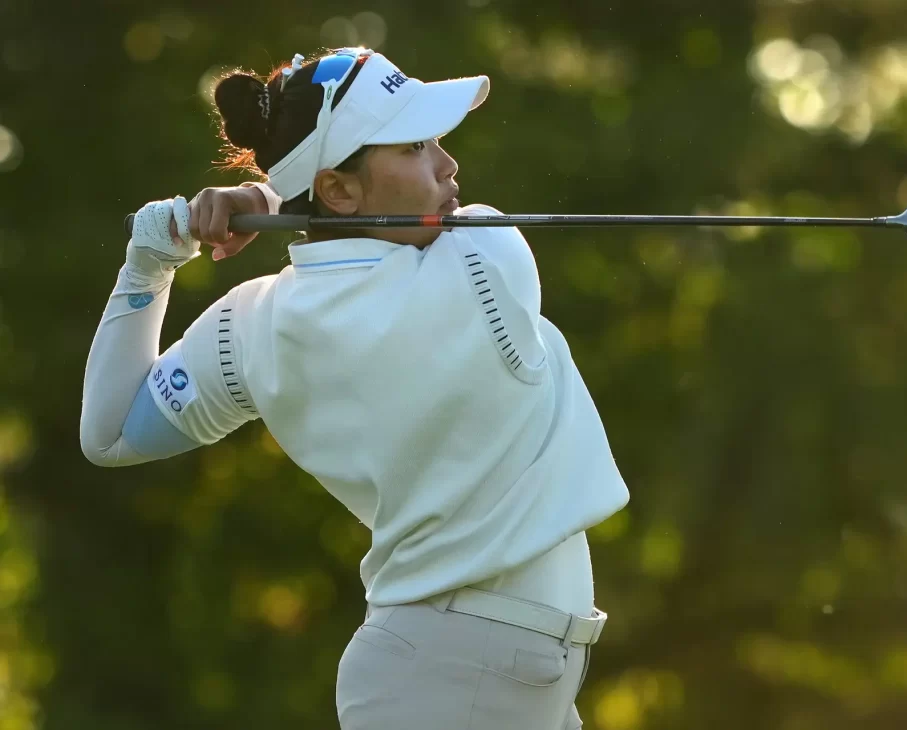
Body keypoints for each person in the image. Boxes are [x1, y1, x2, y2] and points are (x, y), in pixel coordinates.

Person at [79, 46, 629, 729]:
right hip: (455, 676)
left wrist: (150, 262)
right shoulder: (486, 257)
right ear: (339, 190)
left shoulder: (250, 325)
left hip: (465, 671)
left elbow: (112, 431)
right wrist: (270, 194)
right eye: (415, 147)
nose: (448, 165)